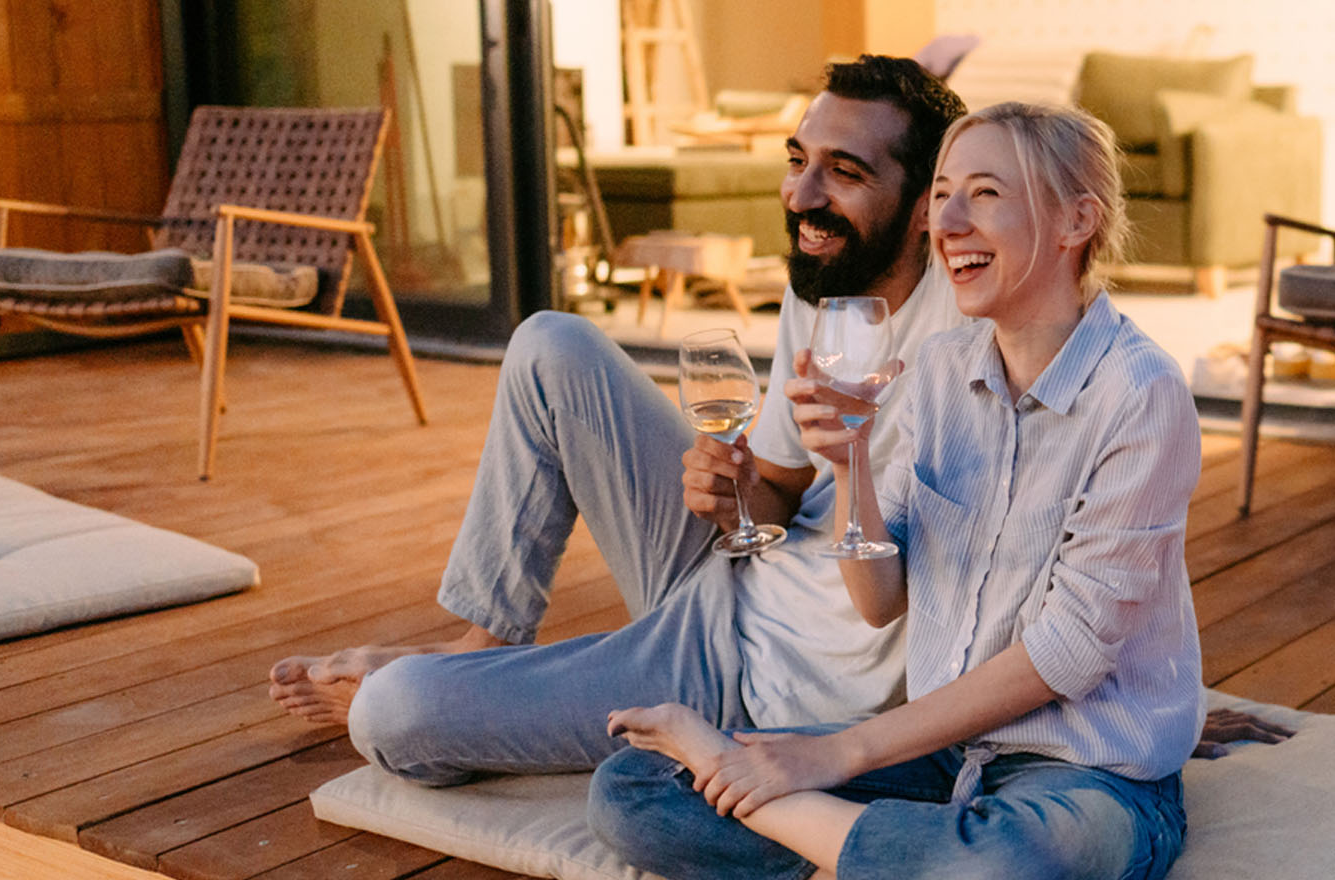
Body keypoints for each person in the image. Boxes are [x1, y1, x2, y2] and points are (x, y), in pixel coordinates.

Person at [266, 56, 968, 775]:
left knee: (394, 711)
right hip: (736, 571)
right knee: (550, 343)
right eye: (798, 160)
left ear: (926, 206)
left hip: (752, 679)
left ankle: (480, 689)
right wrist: (734, 492)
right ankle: (485, 646)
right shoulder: (825, 278)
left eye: (844, 172)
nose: (801, 195)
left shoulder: (976, 333)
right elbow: (782, 488)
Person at [590, 101, 1210, 880]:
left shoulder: (1140, 393)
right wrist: (849, 466)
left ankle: (821, 835)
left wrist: (830, 754)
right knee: (631, 789)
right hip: (942, 750)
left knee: (1022, 861)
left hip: (1085, 774)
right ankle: (879, 853)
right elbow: (880, 597)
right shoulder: (944, 370)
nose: (946, 221)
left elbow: (1070, 653)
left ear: (1075, 221)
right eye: (942, 193)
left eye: (984, 193)